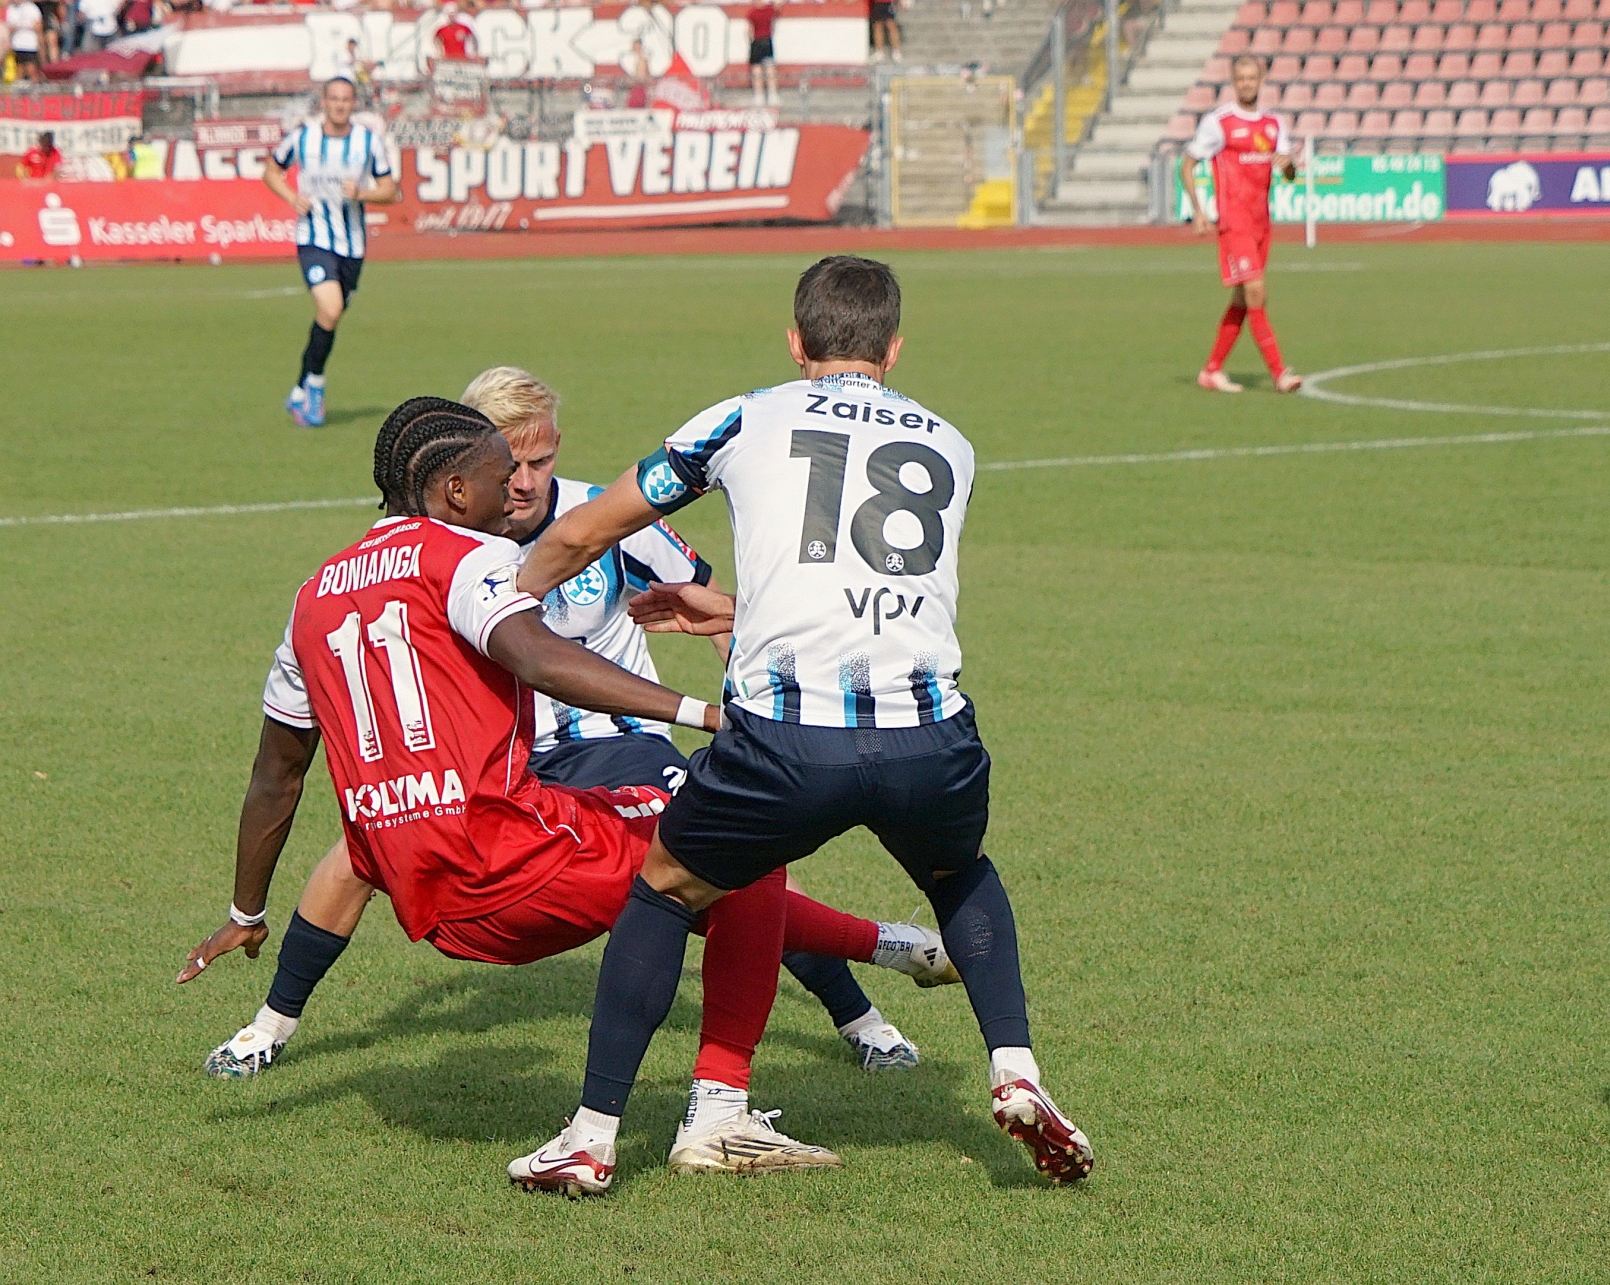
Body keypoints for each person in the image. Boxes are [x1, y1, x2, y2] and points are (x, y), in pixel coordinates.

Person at [175, 399, 956, 1186]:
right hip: (512, 853)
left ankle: (891, 954)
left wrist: (246, 911)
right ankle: (705, 1114)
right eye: (498, 475)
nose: (514, 492)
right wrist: (708, 712)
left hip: (432, 900)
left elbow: (276, 774)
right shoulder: (467, 556)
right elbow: (540, 658)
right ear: (454, 490)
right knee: (736, 837)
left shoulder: (311, 597)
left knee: (693, 876)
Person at [504, 256, 1094, 1194]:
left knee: (665, 891)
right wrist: (733, 608)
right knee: (960, 876)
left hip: (785, 739)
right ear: (893, 349)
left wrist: (501, 606)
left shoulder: (745, 415)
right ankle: (1017, 1070)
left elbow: (582, 532)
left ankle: (590, 1134)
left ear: (795, 342)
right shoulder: (952, 443)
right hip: (929, 734)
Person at [264, 77, 398, 429]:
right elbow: (271, 171)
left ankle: (299, 387)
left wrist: (363, 193)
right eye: (334, 98)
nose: (339, 105)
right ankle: (316, 387)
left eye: (346, 99)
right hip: (313, 238)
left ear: (353, 104)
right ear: (323, 102)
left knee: (330, 318)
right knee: (331, 308)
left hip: (352, 246)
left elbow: (390, 190)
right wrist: (292, 198)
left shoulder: (368, 142)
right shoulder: (302, 138)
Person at [1180, 53, 1302, 395]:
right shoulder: (1219, 122)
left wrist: (1288, 166)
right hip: (1235, 223)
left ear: (1261, 80)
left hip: (1262, 222)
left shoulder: (1274, 124)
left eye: (1252, 78)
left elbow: (1290, 174)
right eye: (1241, 79)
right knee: (1256, 292)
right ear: (1234, 82)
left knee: (1243, 299)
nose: (1247, 84)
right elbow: (1187, 166)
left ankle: (1211, 370)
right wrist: (1199, 211)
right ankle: (1280, 373)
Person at [747, 0, 778, 106]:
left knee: (757, 69)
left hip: (757, 42)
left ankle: (758, 95)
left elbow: (750, 31)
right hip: (767, 41)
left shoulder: (752, 13)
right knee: (770, 68)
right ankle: (772, 94)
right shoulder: (769, 11)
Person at [7, 0, 45, 81]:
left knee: (31, 69)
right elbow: (9, 26)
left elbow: (39, 25)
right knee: (19, 69)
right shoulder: (11, 9)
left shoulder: (32, 8)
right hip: (16, 45)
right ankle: (19, 86)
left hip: (30, 45)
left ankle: (34, 85)